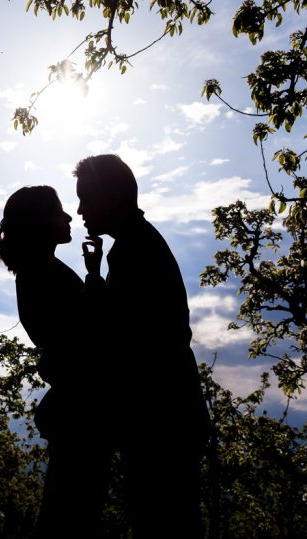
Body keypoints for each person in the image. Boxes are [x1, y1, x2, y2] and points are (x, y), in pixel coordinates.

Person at [75, 154, 210, 537]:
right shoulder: (135, 245)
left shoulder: (134, 251)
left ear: (114, 196)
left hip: (161, 424)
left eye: (86, 197)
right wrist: (97, 276)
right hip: (170, 419)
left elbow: (123, 338)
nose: (80, 209)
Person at [0, 185, 104, 536]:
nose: (69, 216)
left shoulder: (40, 271)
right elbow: (85, 335)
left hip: (74, 408)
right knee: (71, 516)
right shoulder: (42, 274)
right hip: (80, 411)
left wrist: (93, 275)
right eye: (59, 211)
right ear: (40, 221)